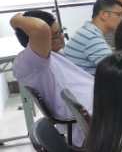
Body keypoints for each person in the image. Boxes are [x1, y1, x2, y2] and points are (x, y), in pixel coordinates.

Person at [11, 10, 94, 143]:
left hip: (96, 109)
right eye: (54, 35)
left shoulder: (48, 55)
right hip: (92, 122)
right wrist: (15, 19)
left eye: (60, 32)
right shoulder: (33, 61)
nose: (61, 37)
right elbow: (40, 28)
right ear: (35, 38)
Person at [62, 0, 122, 75]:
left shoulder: (87, 30)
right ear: (104, 15)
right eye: (119, 14)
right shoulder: (91, 37)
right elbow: (116, 70)